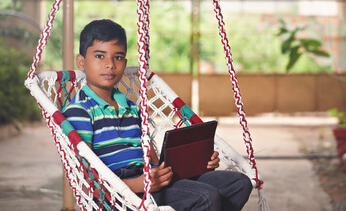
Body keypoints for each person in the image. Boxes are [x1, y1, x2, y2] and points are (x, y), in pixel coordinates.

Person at [63, 19, 252, 210]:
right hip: (121, 194)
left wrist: (197, 162)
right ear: (81, 62)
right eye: (100, 56)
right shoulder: (79, 111)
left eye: (118, 57)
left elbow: (152, 160)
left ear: (125, 62)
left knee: (238, 184)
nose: (110, 64)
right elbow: (86, 182)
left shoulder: (130, 107)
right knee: (205, 197)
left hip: (151, 180)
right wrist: (139, 184)